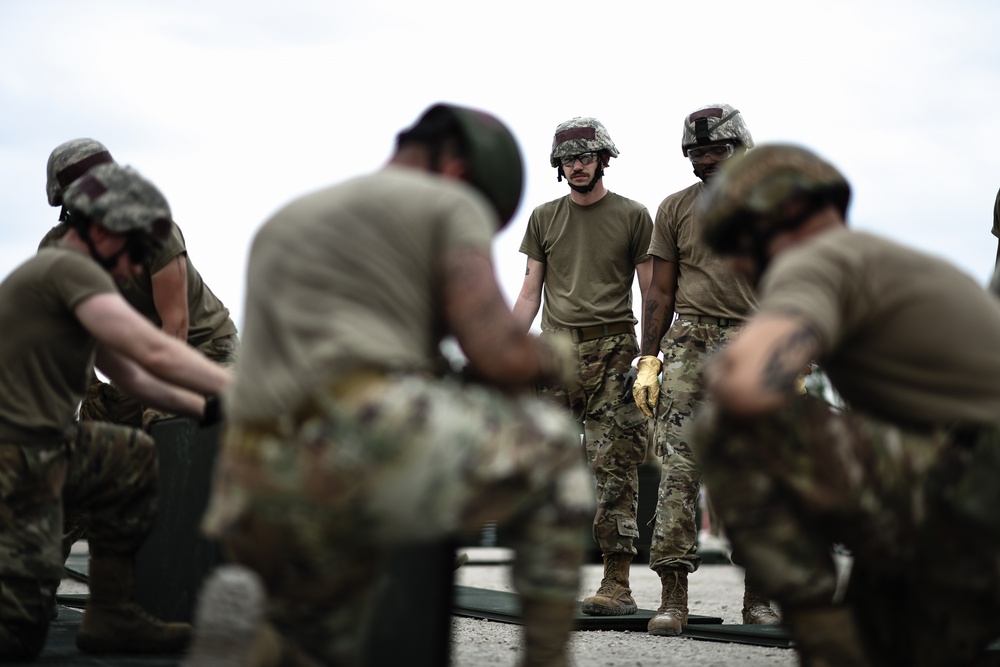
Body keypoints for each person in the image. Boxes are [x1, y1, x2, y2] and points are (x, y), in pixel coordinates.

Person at [184, 103, 594, 667]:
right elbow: (498, 353)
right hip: (355, 443)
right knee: (551, 447)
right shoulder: (448, 201)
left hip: (250, 475)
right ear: (457, 170)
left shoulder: (287, 219)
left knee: (318, 642)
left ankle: (257, 647)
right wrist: (554, 359)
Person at [694, 143, 1000, 667]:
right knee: (884, 643)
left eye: (735, 241)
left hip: (975, 487)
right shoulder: (893, 261)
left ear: (784, 214)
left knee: (726, 424)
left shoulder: (815, 260)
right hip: (969, 502)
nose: (735, 265)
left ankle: (822, 633)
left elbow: (745, 387)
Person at [0, 163, 232, 660]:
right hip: (17, 457)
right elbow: (154, 352)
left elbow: (129, 373)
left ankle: (110, 613)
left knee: (128, 456)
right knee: (16, 633)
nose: (133, 272)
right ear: (101, 231)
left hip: (46, 446)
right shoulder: (67, 269)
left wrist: (206, 406)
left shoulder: (79, 276)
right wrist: (247, 390)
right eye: (130, 254)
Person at [630, 103, 778, 635]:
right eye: (697, 152)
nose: (706, 160)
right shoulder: (675, 208)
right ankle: (673, 598)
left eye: (717, 150)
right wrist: (649, 358)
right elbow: (660, 290)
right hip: (689, 343)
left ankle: (759, 599)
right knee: (678, 472)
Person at [511, 117, 653, 617]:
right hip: (555, 353)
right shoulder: (543, 218)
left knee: (614, 468)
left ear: (603, 160)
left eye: (586, 157)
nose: (577, 166)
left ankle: (617, 584)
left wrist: (650, 356)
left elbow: (652, 291)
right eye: (569, 159)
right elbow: (529, 293)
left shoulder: (634, 215)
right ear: (559, 165)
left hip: (614, 351)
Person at [40, 138, 240, 431]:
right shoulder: (58, 250)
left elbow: (176, 325)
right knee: (95, 426)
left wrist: (160, 395)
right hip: (142, 362)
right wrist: (90, 391)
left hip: (204, 350)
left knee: (166, 419)